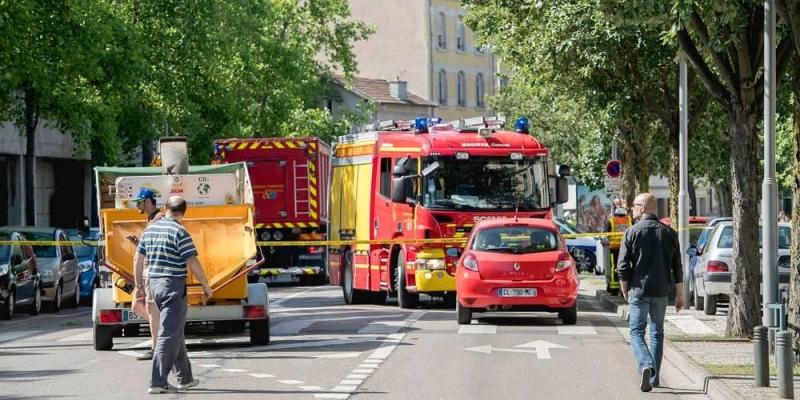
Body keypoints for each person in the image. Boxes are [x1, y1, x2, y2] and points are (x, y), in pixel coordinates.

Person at [134, 196, 213, 394]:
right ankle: (157, 381)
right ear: (184, 212)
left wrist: (138, 286)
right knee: (168, 334)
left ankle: (184, 378)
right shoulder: (180, 232)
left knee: (175, 331)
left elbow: (138, 259)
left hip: (153, 284)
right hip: (172, 286)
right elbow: (192, 261)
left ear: (166, 208)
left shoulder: (150, 229)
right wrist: (205, 285)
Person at [617, 193, 684, 392]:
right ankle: (655, 379)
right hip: (662, 291)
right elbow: (677, 266)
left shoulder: (632, 232)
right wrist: (680, 294)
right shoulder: (670, 233)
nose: (632, 208)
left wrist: (624, 289)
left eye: (635, 205)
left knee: (636, 332)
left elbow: (622, 266)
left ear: (643, 208)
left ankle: (646, 364)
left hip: (638, 290)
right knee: (657, 333)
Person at [130, 188, 163, 361]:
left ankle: (156, 346)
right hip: (148, 272)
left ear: (148, 201)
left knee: (150, 308)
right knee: (138, 306)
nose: (137, 206)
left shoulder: (158, 219)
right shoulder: (152, 220)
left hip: (153, 272)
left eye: (140, 202)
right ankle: (161, 335)